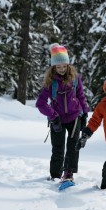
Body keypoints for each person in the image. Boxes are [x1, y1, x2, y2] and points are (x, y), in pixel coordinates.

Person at [36, 43, 89, 183]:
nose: (61, 69)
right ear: (53, 67)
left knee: (73, 147)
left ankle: (68, 174)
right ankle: (55, 176)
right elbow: (40, 104)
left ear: (68, 65)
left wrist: (85, 114)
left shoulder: (75, 79)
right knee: (58, 149)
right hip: (57, 120)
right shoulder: (51, 82)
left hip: (74, 117)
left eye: (64, 66)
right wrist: (53, 116)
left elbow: (81, 96)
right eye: (58, 67)